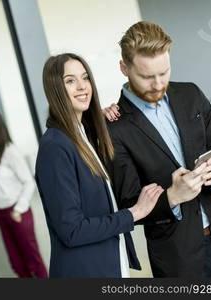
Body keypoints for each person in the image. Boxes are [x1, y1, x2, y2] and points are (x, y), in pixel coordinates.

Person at [103, 21, 211, 277]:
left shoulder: (191, 95)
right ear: (124, 68)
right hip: (177, 260)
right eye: (146, 76)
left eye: (164, 72)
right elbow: (128, 202)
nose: (158, 84)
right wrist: (172, 196)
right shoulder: (113, 128)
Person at [35, 53, 164, 278]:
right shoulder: (55, 147)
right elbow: (72, 230)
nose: (82, 86)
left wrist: (98, 122)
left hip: (110, 261)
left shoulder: (82, 135)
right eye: (70, 81)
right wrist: (133, 213)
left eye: (85, 78)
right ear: (54, 89)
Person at [0, 110, 48, 278]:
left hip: (17, 214)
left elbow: (29, 182)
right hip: (1, 214)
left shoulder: (10, 152)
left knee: (33, 260)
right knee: (16, 263)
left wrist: (19, 209)